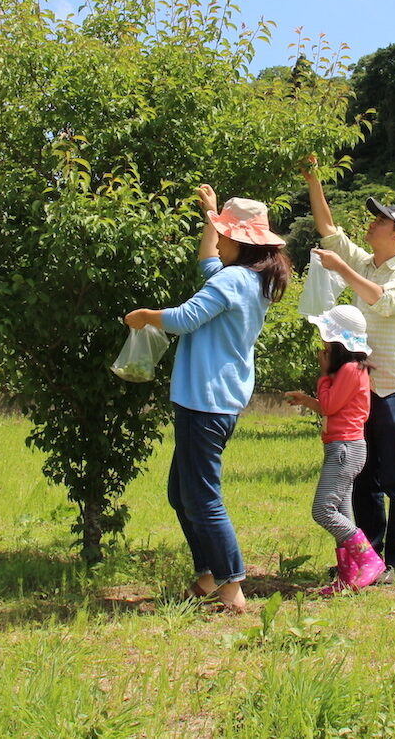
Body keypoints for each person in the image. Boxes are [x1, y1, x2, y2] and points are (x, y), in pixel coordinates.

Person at [125, 185, 291, 614]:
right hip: (211, 398)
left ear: (240, 240)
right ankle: (206, 578)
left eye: (224, 233)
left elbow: (184, 318)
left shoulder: (235, 280)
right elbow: (207, 263)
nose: (220, 239)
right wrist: (211, 215)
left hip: (207, 401)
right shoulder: (249, 279)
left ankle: (232, 586)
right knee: (183, 494)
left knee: (202, 496)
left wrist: (145, 316)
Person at [302, 157, 395, 583]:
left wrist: (343, 270)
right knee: (362, 479)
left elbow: (380, 300)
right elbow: (329, 229)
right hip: (360, 392)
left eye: (380, 221)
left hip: (391, 389)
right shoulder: (367, 264)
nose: (371, 224)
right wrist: (313, 180)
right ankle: (366, 557)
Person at [284, 304, 386, 595]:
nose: (323, 349)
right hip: (343, 448)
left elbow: (329, 405)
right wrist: (306, 400)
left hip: (345, 450)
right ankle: (348, 576)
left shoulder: (349, 371)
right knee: (342, 510)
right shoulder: (352, 371)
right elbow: (334, 409)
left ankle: (369, 559)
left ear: (339, 345)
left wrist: (323, 376)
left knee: (323, 510)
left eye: (327, 344)